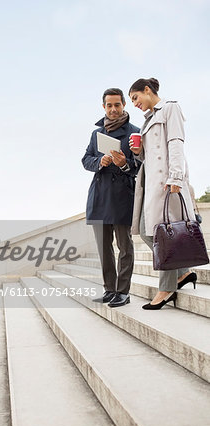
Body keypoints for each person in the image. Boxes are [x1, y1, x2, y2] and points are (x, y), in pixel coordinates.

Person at [128, 77, 197, 310]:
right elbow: (149, 156)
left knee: (159, 236)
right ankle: (183, 272)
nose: (134, 104)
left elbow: (176, 142)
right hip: (150, 185)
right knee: (148, 233)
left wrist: (176, 177)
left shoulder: (170, 108)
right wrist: (138, 151)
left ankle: (166, 289)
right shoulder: (148, 120)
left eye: (135, 98)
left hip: (167, 183)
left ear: (147, 90)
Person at [82, 88, 140, 307]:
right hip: (99, 196)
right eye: (109, 105)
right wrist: (100, 163)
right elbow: (86, 159)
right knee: (104, 248)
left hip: (122, 196)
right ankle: (109, 290)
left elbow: (140, 166)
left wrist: (123, 163)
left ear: (124, 104)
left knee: (125, 247)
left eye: (117, 104)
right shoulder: (96, 134)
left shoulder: (135, 132)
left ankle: (123, 292)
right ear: (103, 107)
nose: (113, 109)